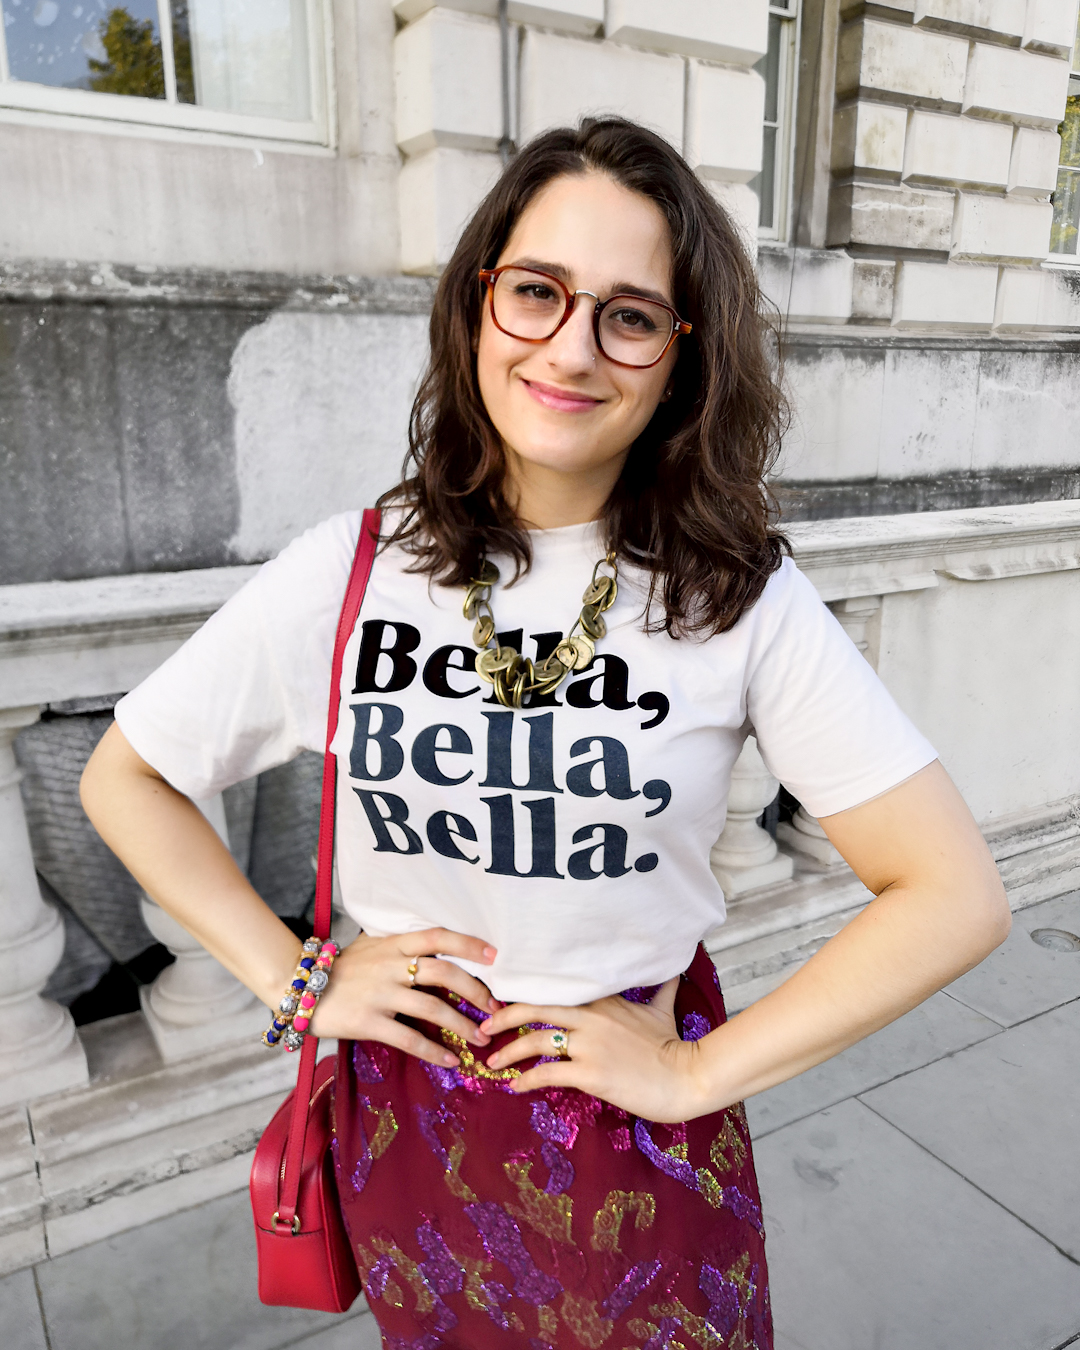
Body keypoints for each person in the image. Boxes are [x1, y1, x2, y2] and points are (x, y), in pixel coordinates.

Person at [80, 117, 1010, 1349]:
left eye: (628, 314)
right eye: (536, 292)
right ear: (480, 307)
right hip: (411, 1117)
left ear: (681, 356)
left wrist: (692, 1075)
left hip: (637, 1118)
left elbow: (952, 894)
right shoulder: (356, 569)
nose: (571, 346)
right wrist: (295, 979)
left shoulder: (730, 594)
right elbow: (128, 777)